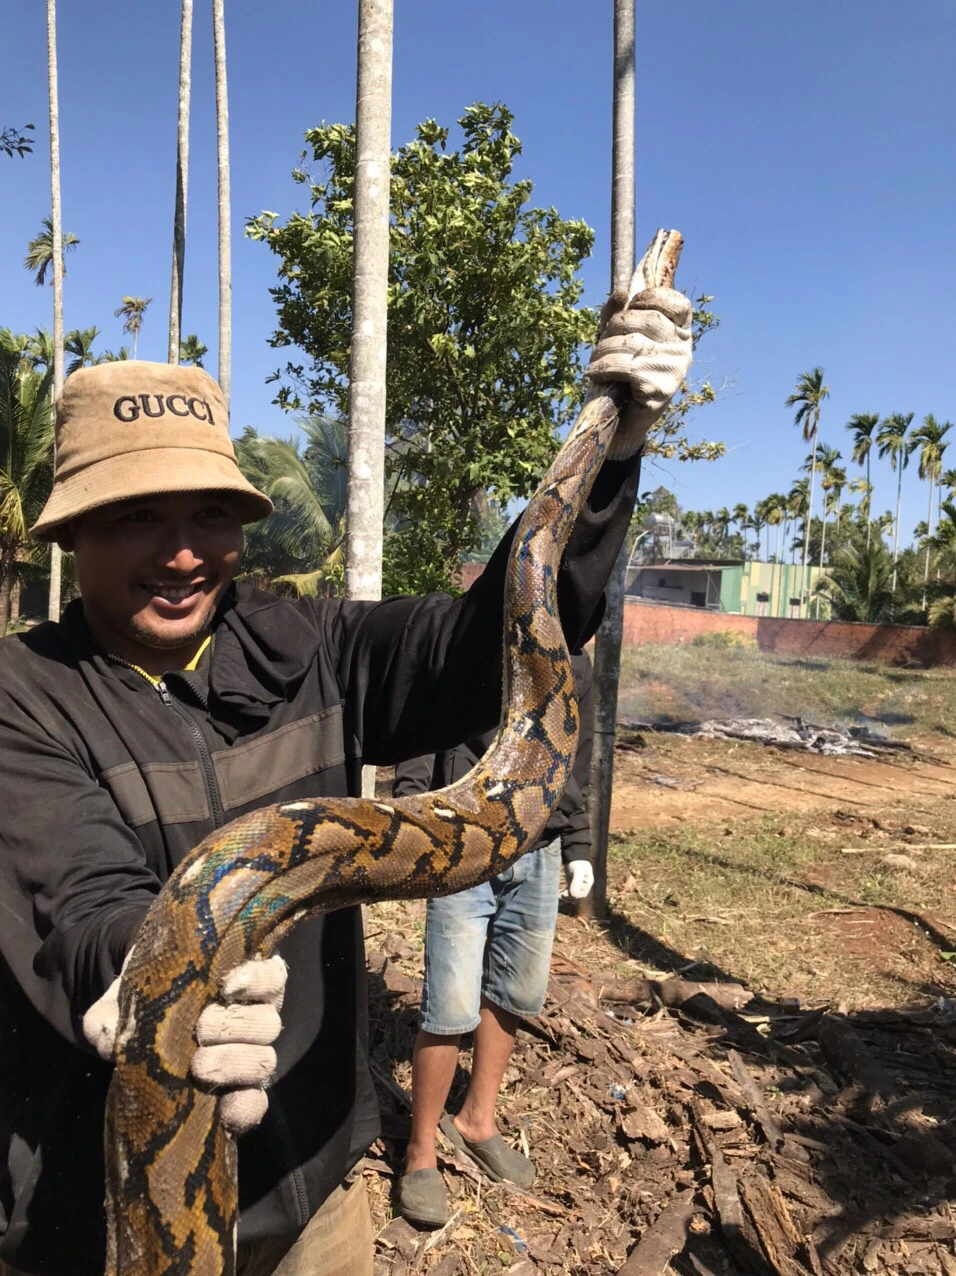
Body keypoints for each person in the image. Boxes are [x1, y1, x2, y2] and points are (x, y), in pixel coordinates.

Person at [0, 280, 691, 1275]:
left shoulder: (310, 643)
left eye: (210, 513)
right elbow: (74, 895)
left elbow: (490, 638)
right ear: (72, 532)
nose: (184, 549)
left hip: (313, 1180)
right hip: (99, 1218)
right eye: (137, 517)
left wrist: (610, 451)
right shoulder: (25, 692)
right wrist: (147, 975)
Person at [393, 650, 594, 1228]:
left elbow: (574, 759)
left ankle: (478, 1119)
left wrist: (578, 845)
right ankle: (420, 1152)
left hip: (541, 849)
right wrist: (416, 821)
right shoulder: (471, 641)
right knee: (449, 1004)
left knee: (513, 992)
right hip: (463, 843)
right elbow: (419, 729)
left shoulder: (574, 662)